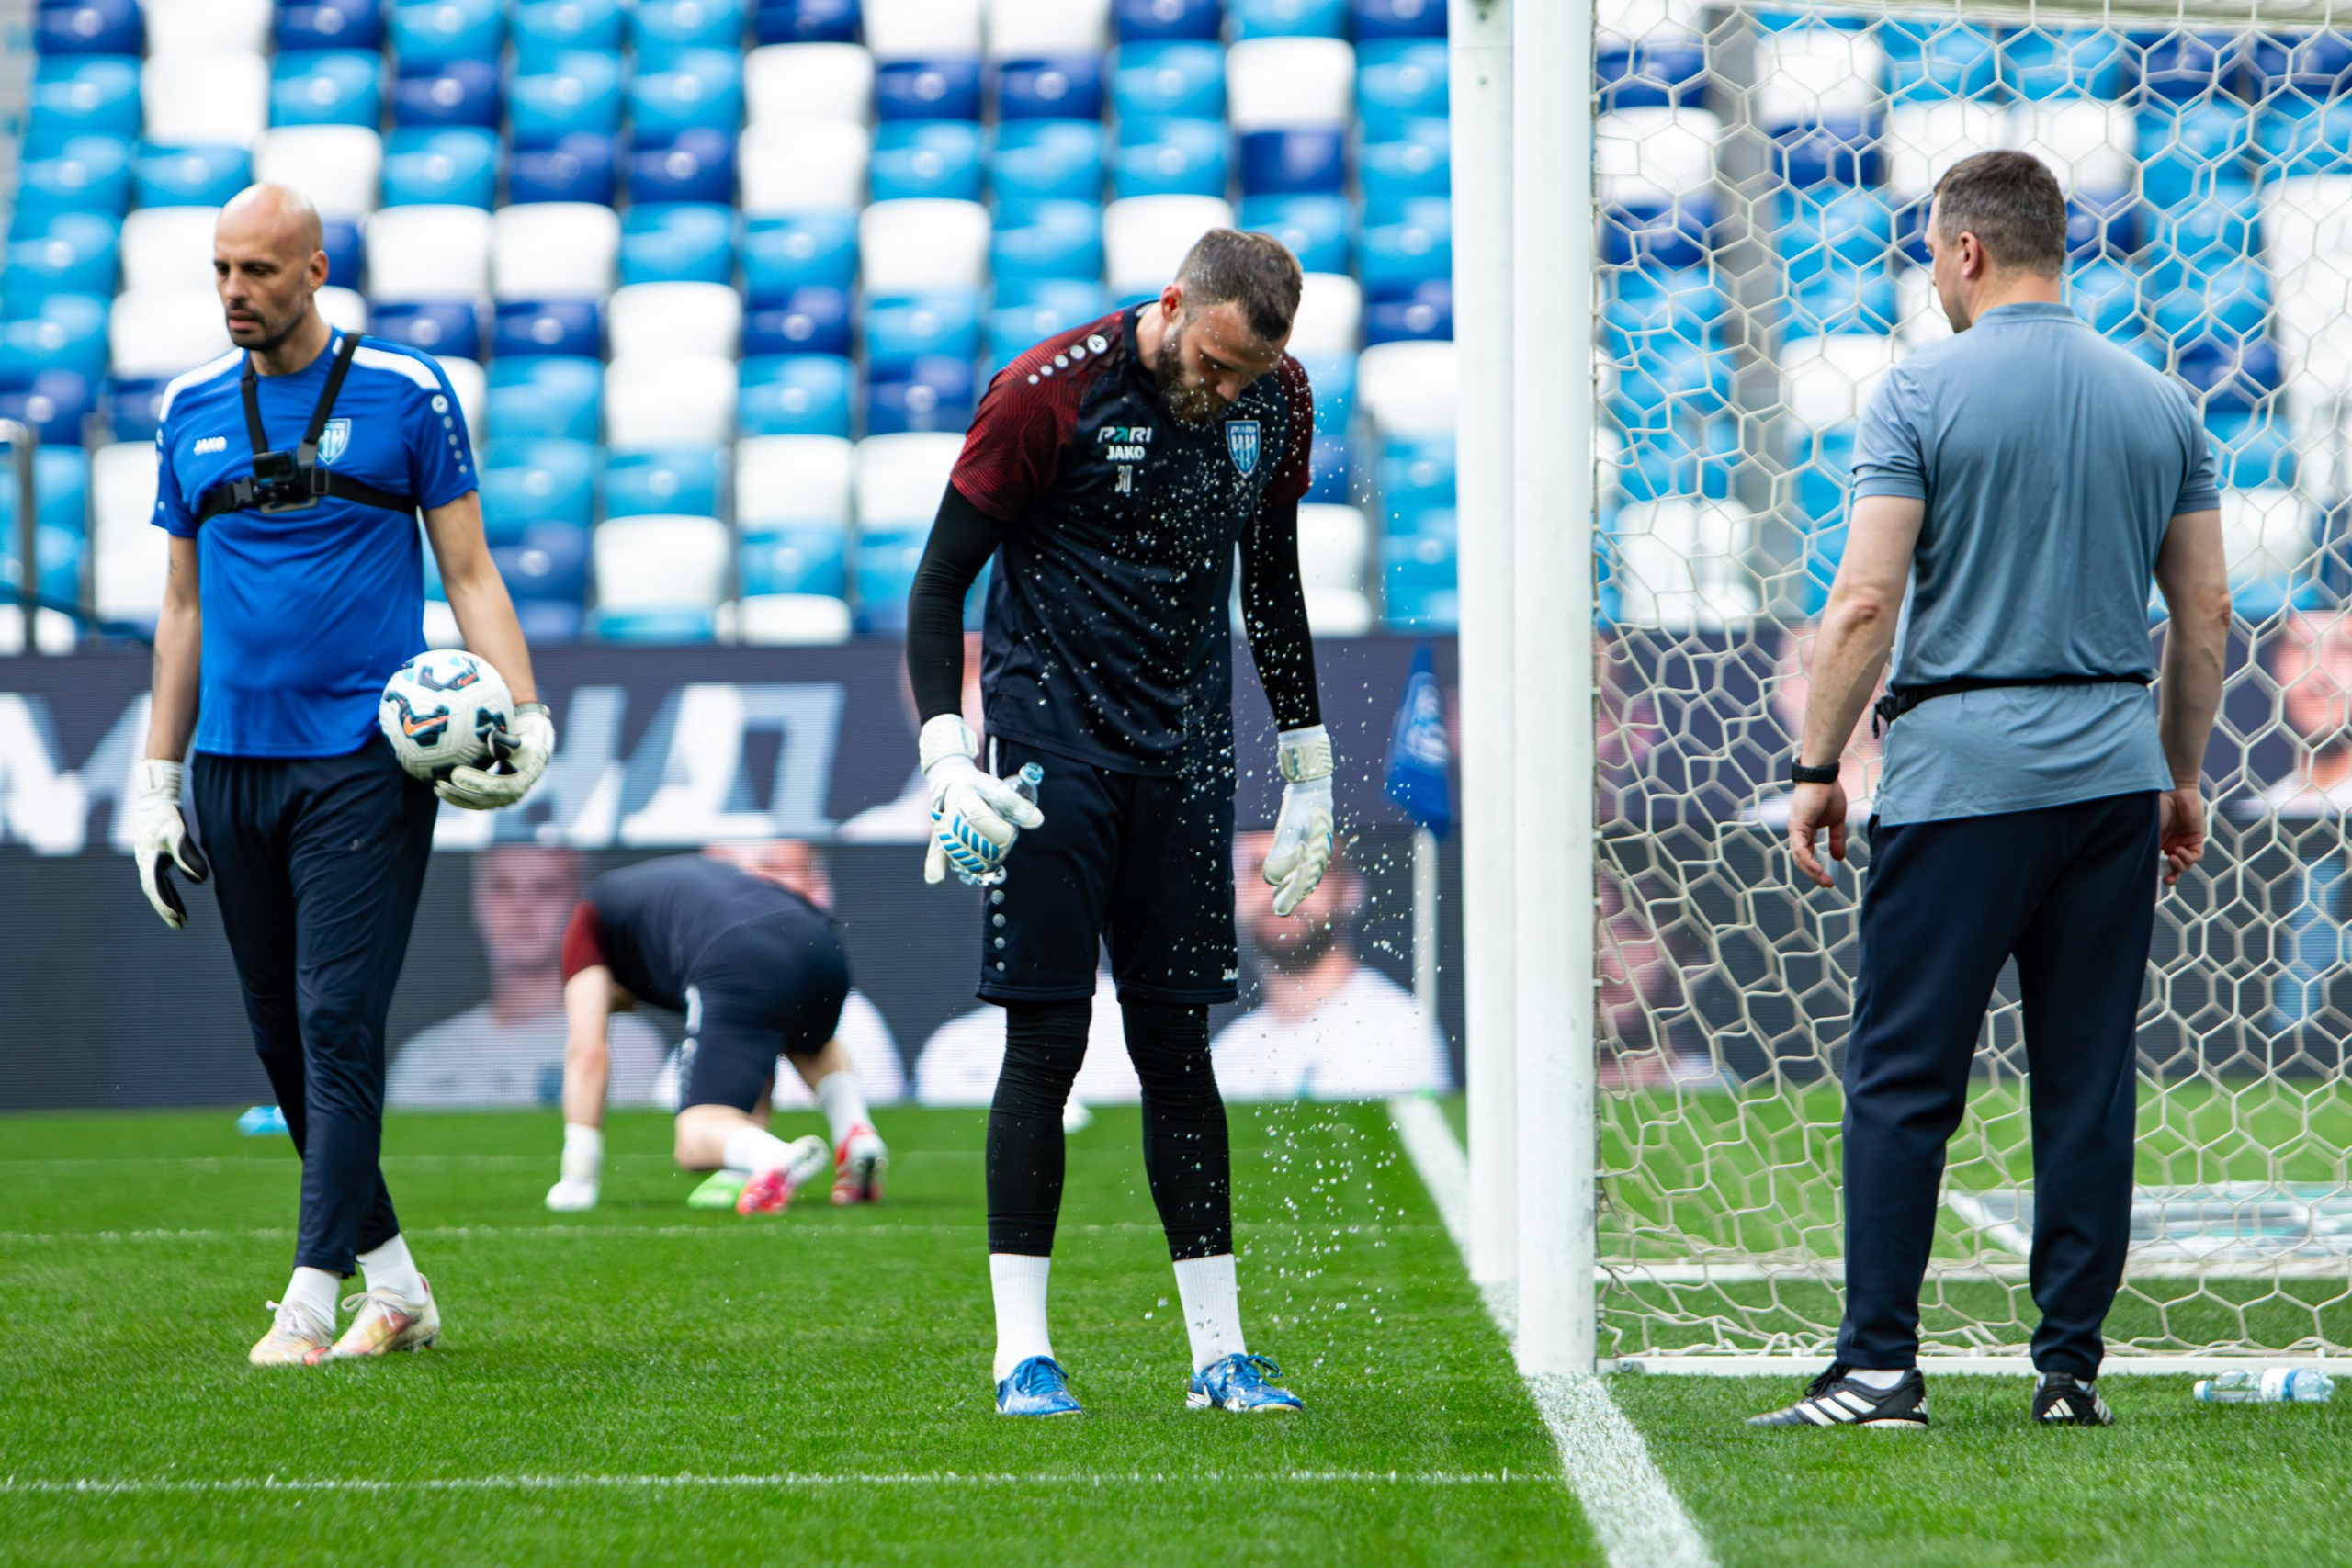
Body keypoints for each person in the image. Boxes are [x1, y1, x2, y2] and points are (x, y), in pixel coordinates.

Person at [1752, 152, 2230, 1430]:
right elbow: (2207, 613)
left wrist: (1814, 767)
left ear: (1965, 251)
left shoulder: (1918, 391)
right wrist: (2179, 775)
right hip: (2113, 772)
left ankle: (1878, 1368)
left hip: (1962, 775)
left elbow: (1862, 600)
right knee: (2086, 1074)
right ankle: (2069, 1369)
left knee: (1905, 1072)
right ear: (2054, 245)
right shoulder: (2161, 401)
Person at [902, 229, 1331, 1417]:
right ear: (1171, 304)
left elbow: (1274, 577)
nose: (1229, 389)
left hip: (1186, 751)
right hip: (1053, 750)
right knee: (1045, 1041)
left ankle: (1219, 1355)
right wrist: (947, 752)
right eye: (1217, 361)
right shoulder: (1047, 392)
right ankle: (1021, 1355)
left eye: (1250, 373)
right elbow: (941, 581)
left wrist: (1308, 760)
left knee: (1177, 1047)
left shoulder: (1278, 399)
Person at [130, 185, 554, 1367]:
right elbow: (180, 611)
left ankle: (311, 1298)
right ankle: (398, 1285)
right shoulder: (188, 409)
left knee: (334, 1018)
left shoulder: (409, 392)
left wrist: (525, 710)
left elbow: (468, 571)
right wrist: (156, 782)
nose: (234, 294)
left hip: (365, 767)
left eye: (259, 271)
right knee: (281, 1037)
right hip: (232, 767)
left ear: (315, 270)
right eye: (220, 270)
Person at [546, 850, 889, 1214]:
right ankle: (856, 1134)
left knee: (695, 1137)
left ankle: (774, 1157)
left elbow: (587, 1052)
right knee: (807, 1040)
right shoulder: (659, 902)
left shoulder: (587, 921)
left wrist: (577, 1178)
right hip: (819, 938)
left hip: (737, 951)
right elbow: (754, 1047)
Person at [387, 847, 668, 1108]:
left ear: (579, 905)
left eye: (545, 889)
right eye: (503, 887)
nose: (522, 906)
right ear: (477, 900)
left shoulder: (626, 1044)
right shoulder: (425, 1058)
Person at [1210, 832, 1451, 1100]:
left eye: (1307, 868)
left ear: (1350, 889)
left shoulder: (1399, 1031)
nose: (1282, 887)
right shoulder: (1226, 1057)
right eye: (1259, 868)